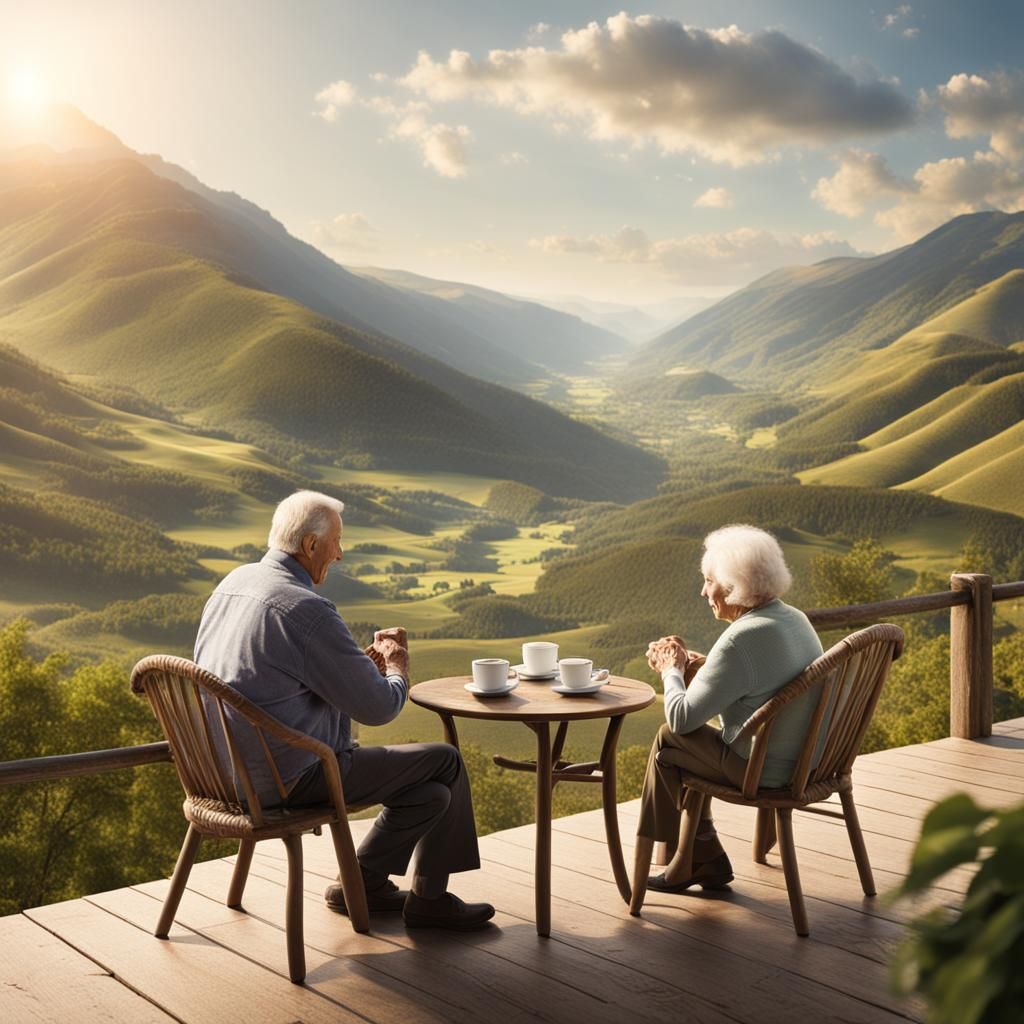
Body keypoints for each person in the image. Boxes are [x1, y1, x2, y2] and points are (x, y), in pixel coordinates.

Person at [194, 490, 494, 930]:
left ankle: (361, 883)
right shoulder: (306, 609)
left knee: (432, 795)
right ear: (310, 544)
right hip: (287, 779)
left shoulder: (234, 584)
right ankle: (430, 901)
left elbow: (266, 680)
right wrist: (396, 667)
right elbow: (380, 708)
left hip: (220, 772)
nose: (340, 553)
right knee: (445, 762)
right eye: (336, 541)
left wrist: (356, 668)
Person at [637, 524, 823, 892]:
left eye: (709, 581)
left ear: (733, 586)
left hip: (769, 771)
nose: (703, 591)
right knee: (685, 748)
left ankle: (676, 853)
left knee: (669, 741)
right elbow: (764, 679)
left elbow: (682, 719)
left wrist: (670, 670)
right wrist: (705, 669)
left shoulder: (740, 638)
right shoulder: (792, 618)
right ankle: (699, 854)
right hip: (813, 759)